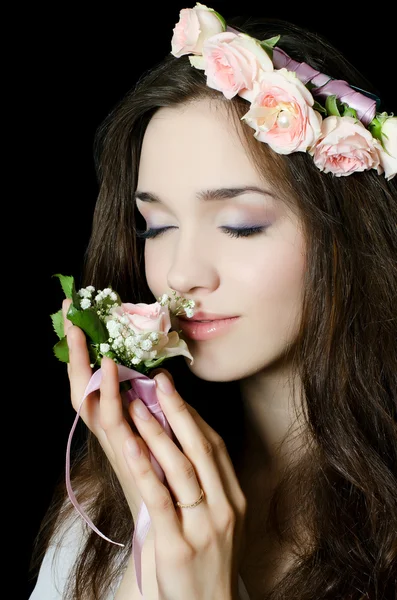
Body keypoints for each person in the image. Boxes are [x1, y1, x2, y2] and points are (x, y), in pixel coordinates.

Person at [28, 3, 397, 599]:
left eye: (240, 225)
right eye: (155, 226)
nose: (179, 273)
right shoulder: (102, 515)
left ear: (343, 237)